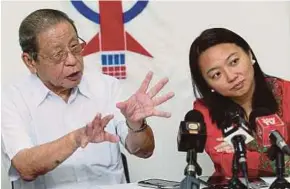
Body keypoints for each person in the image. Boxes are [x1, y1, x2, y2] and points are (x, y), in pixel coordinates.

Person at [1, 9, 175, 189]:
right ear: (30, 61)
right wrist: (76, 139)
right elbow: (24, 167)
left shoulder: (106, 87)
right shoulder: (12, 99)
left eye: (75, 47)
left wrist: (137, 125)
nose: (72, 60)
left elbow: (144, 150)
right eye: (58, 54)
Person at [189, 27, 290, 177]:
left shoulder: (286, 91)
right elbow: (228, 163)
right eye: (216, 74)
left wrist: (242, 152)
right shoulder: (203, 110)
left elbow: (238, 160)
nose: (231, 76)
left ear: (249, 55)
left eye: (234, 62)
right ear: (207, 84)